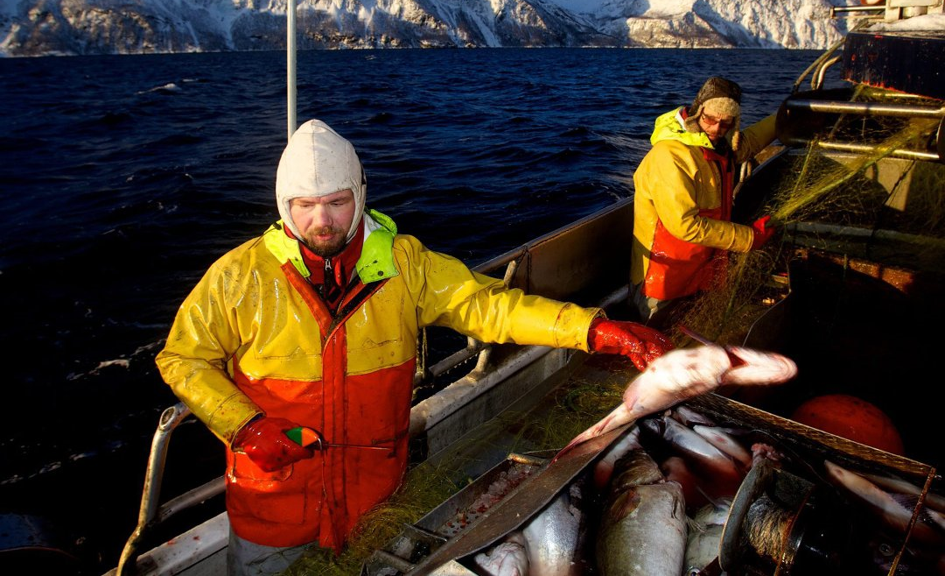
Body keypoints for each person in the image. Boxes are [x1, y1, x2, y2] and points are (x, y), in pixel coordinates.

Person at [156, 119, 673, 575]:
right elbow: (182, 356)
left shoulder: (406, 264)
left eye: (337, 202)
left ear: (360, 195)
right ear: (283, 207)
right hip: (273, 506)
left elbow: (488, 306)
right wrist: (244, 426)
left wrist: (594, 328)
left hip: (375, 499)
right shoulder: (238, 277)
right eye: (305, 206)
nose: (323, 220)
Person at [630, 76, 778, 329]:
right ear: (697, 111)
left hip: (701, 267)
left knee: (691, 331)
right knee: (657, 333)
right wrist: (748, 238)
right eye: (710, 119)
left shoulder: (718, 146)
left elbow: (747, 144)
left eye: (725, 123)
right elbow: (684, 225)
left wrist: (783, 119)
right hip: (663, 276)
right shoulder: (671, 156)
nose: (715, 128)